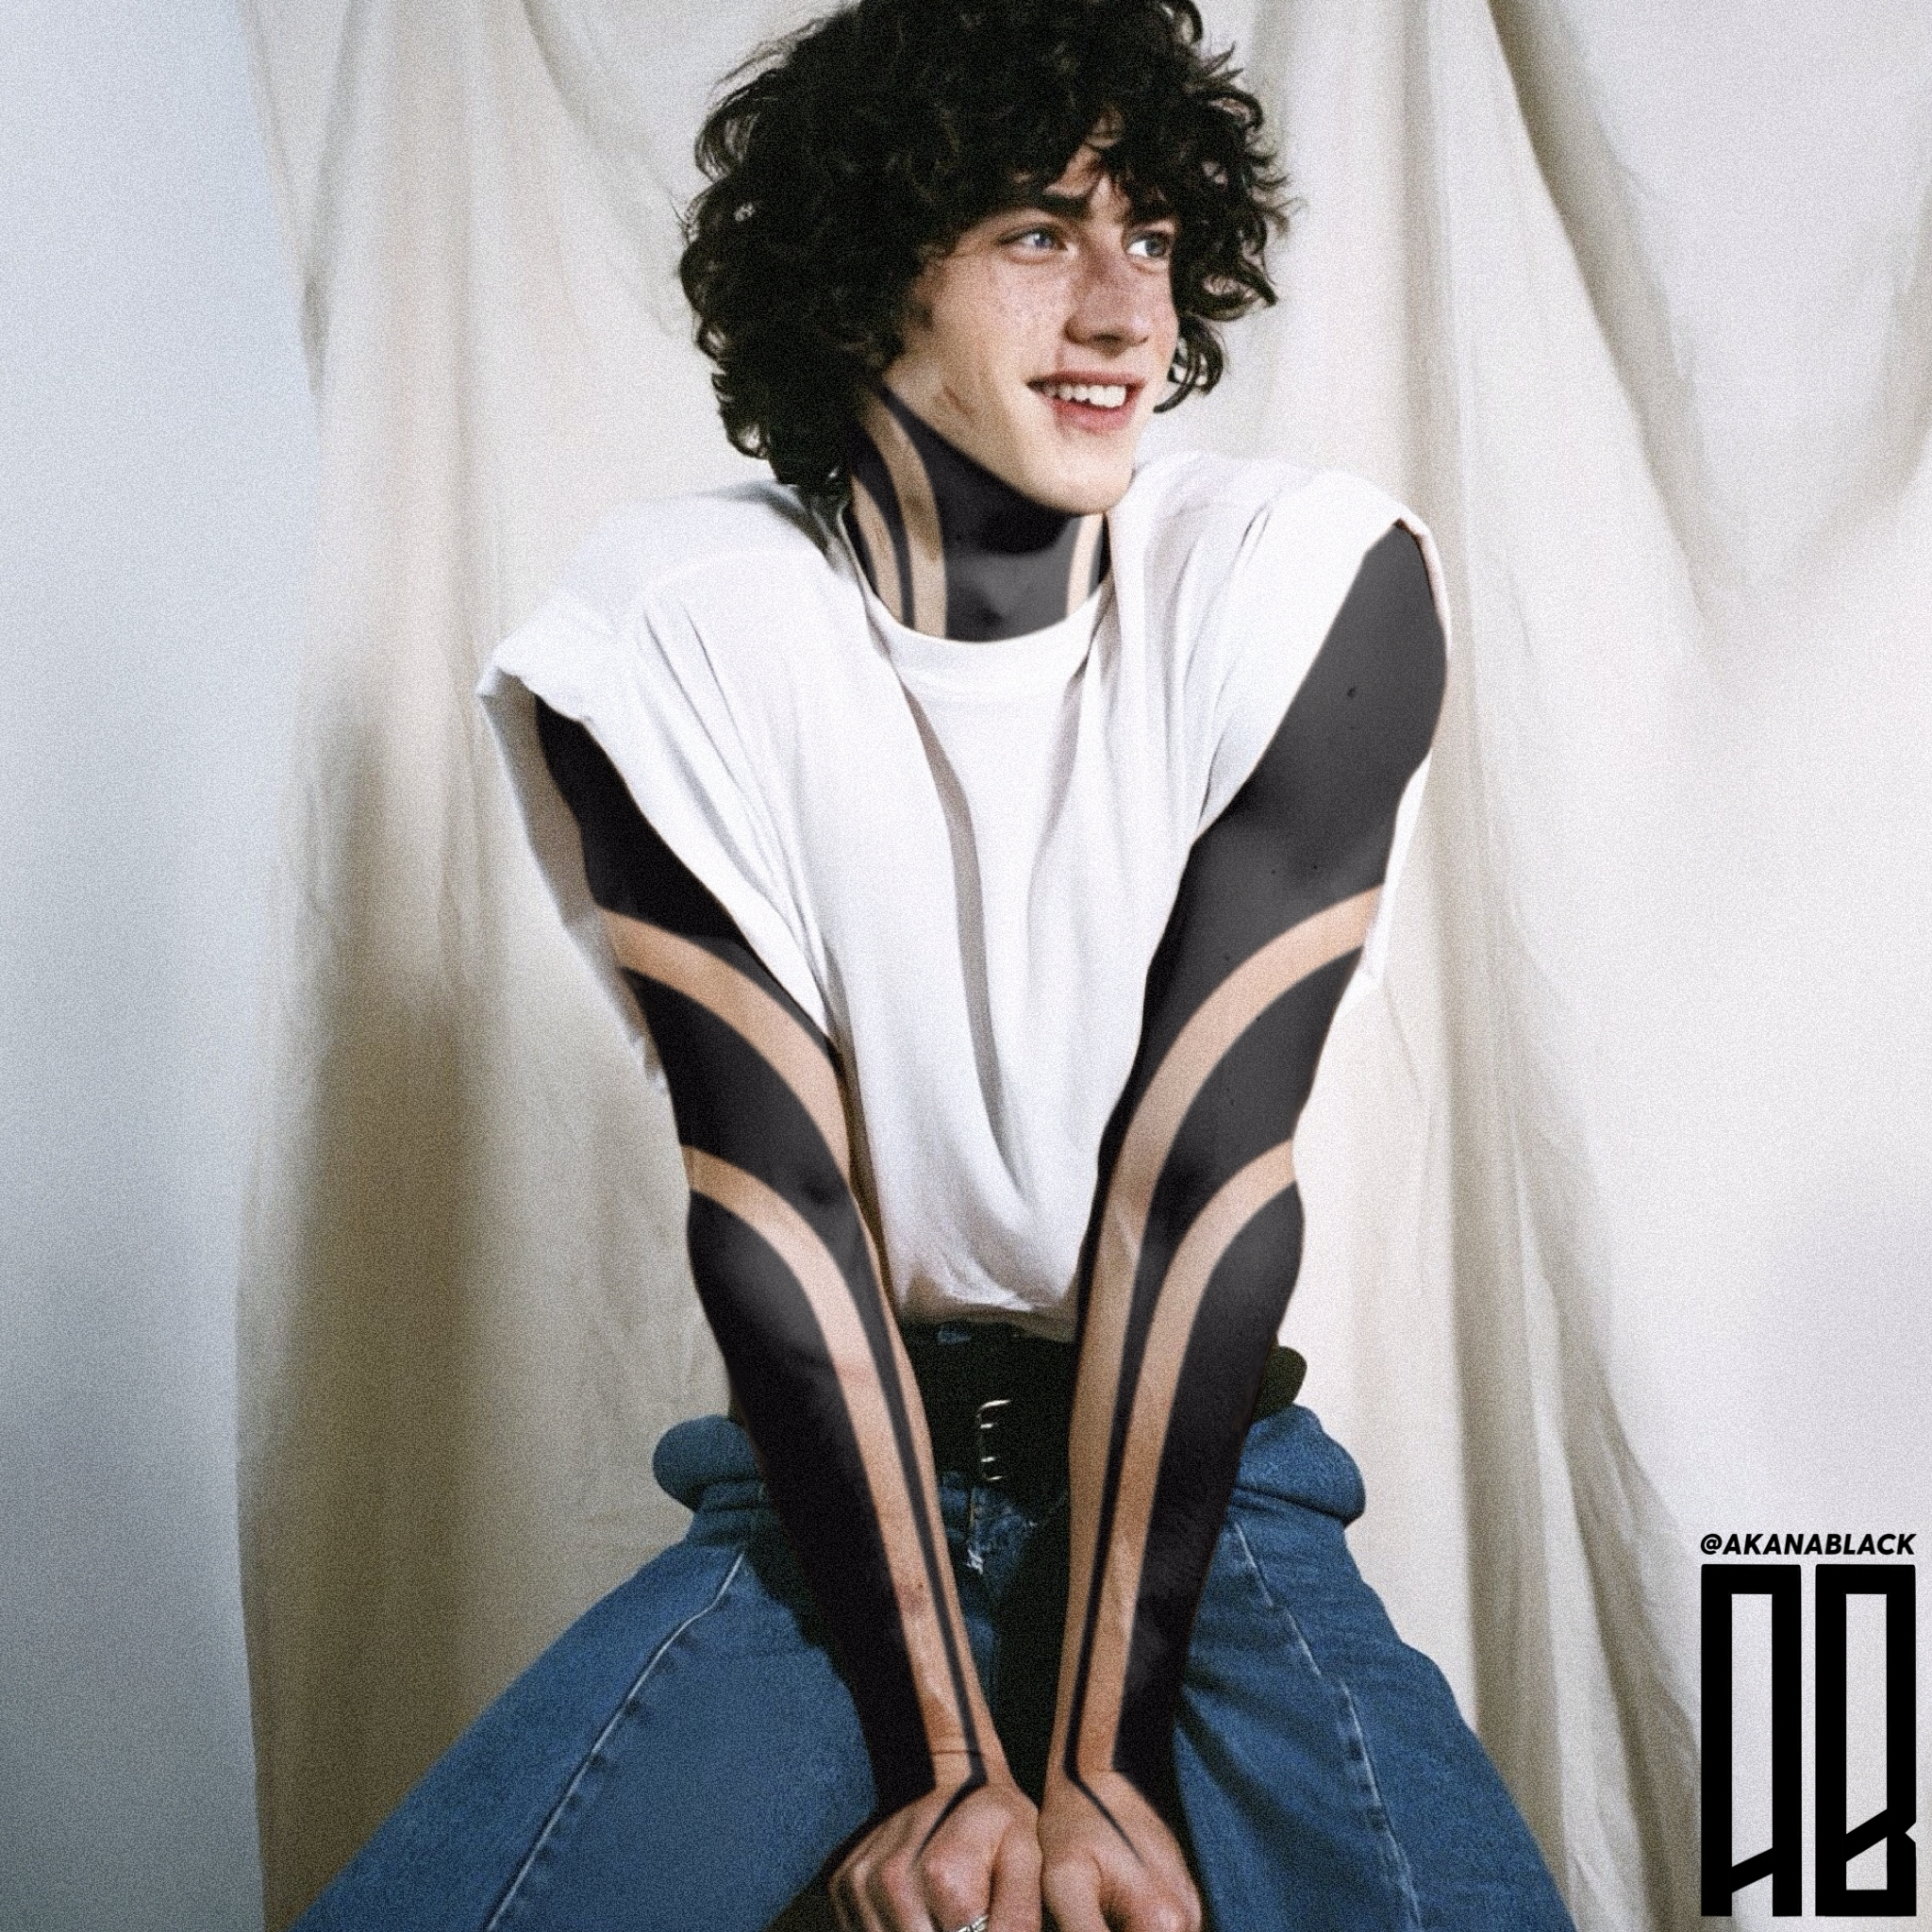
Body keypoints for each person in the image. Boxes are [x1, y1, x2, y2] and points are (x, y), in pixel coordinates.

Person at [294, 3, 1574, 1928]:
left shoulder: (1309, 581)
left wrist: (1091, 1768)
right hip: (828, 1492)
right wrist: (950, 1764)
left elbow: (1192, 1184)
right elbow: (781, 1204)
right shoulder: (661, 636)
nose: (1125, 312)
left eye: (1152, 236)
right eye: (1038, 232)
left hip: (1205, 1484)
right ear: (860, 274)